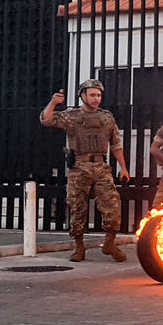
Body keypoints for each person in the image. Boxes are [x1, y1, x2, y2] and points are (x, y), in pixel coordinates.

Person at [40, 79, 130, 263]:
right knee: (77, 207)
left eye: (98, 95)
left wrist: (123, 167)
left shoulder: (106, 117)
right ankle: (79, 247)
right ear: (83, 96)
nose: (96, 99)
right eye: (92, 95)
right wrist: (53, 103)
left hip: (101, 166)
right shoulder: (72, 116)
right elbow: (47, 120)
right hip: (79, 167)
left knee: (111, 205)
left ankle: (110, 243)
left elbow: (116, 144)